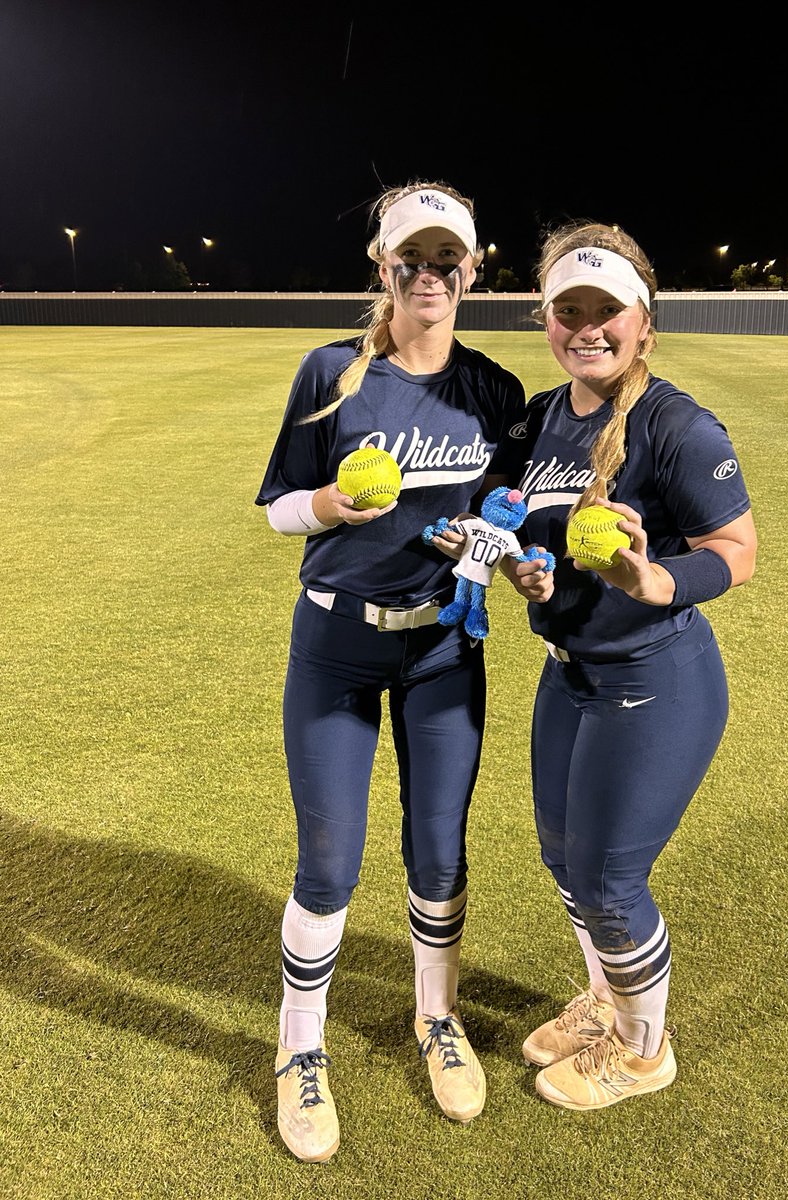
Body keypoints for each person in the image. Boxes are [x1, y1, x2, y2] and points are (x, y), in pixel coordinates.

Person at [254, 181, 529, 1160]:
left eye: (448, 260)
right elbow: (277, 506)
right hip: (336, 641)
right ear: (383, 267)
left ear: (472, 268)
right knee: (328, 864)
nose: (431, 276)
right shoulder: (331, 372)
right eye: (411, 259)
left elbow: (504, 518)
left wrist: (494, 553)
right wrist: (328, 504)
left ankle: (434, 1020)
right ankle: (299, 1050)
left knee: (439, 854)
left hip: (444, 647)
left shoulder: (495, 390)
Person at [507, 222, 757, 1111]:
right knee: (563, 859)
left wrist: (655, 577)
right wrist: (524, 570)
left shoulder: (676, 425)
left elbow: (736, 551)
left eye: (606, 311)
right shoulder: (540, 417)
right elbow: (528, 539)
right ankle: (609, 1004)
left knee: (611, 882)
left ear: (643, 322)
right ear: (546, 318)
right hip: (569, 673)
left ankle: (644, 1052)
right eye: (568, 310)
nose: (588, 327)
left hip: (656, 680)